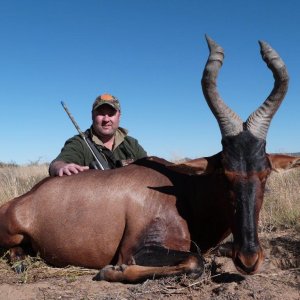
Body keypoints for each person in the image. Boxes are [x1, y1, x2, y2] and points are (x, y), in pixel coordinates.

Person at [49, 93, 147, 176]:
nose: (106, 119)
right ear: (92, 115)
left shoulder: (131, 144)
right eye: (101, 113)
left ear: (119, 116)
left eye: (111, 114)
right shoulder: (79, 143)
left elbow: (149, 169)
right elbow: (56, 164)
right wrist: (60, 167)